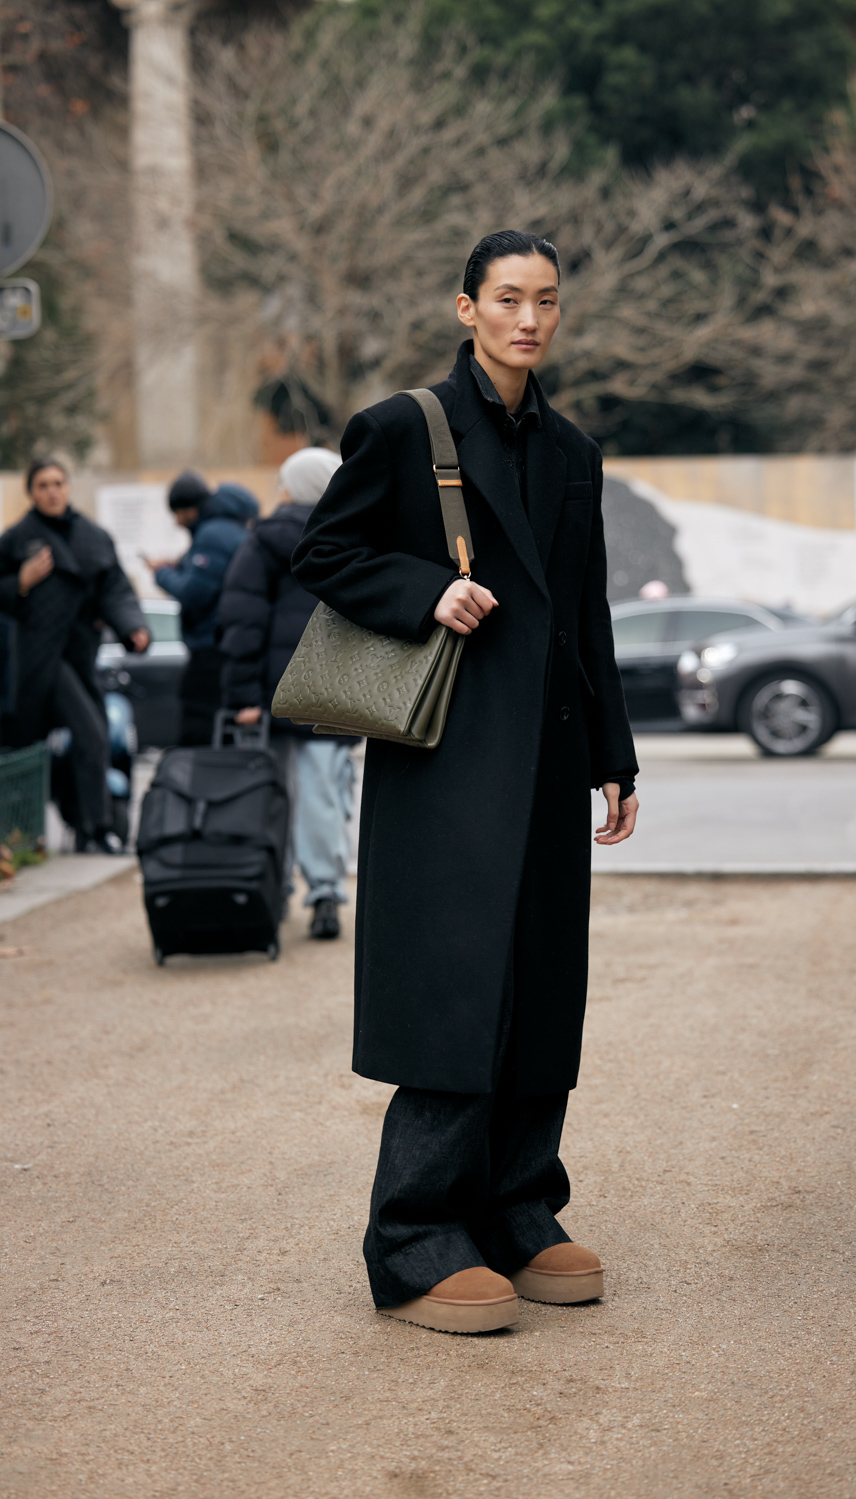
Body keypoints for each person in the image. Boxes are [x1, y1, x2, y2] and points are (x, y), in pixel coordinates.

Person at [292, 229, 639, 1334]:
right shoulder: (403, 428)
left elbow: (586, 613)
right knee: (451, 986)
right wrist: (422, 590)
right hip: (443, 761)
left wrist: (613, 753)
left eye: (545, 300)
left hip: (544, 758)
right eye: (506, 298)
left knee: (542, 982)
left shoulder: (574, 450)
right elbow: (326, 556)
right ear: (465, 307)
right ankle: (414, 1235)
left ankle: (520, 1206)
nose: (528, 318)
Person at [218, 447, 359, 941]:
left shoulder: (264, 541)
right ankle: (324, 894)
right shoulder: (354, 536)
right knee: (325, 794)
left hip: (275, 694)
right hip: (333, 693)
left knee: (273, 796)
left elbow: (242, 622)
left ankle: (273, 890)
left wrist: (241, 697)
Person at [0, 457, 150, 852]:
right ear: (31, 493)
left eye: (58, 483)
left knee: (90, 737)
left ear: (68, 487)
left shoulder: (93, 536)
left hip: (81, 658)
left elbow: (115, 589)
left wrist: (134, 628)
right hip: (35, 663)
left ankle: (91, 829)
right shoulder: (17, 538)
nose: (52, 491)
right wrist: (20, 582)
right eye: (43, 485)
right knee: (77, 738)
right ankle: (77, 831)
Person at [144, 472, 258, 745]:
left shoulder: (212, 535)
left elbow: (195, 593)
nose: (176, 521)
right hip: (231, 644)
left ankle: (198, 782)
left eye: (177, 513)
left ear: (188, 509)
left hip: (212, 647)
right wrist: (182, 566)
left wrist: (161, 574)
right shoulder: (230, 528)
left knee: (199, 726)